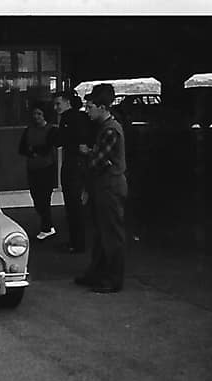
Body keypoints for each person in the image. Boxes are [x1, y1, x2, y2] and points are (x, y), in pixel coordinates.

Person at [75, 84, 128, 294]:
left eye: (90, 107)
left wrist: (88, 152)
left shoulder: (109, 130)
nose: (87, 111)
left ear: (102, 107)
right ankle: (96, 273)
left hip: (110, 186)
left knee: (111, 234)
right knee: (99, 232)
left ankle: (113, 279)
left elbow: (96, 161)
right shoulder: (104, 128)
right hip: (101, 185)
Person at [51, 90, 94, 253]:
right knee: (76, 205)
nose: (56, 108)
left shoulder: (68, 118)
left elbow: (60, 141)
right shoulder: (81, 117)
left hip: (73, 164)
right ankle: (77, 242)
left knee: (73, 205)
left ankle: (77, 243)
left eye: (58, 104)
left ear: (67, 102)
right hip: (80, 163)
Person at [18, 102, 57, 240]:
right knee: (36, 197)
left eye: (39, 114)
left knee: (44, 198)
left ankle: (46, 227)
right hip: (32, 168)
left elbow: (46, 148)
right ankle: (48, 224)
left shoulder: (51, 130)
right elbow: (22, 148)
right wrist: (33, 151)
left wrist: (33, 149)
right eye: (34, 114)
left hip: (47, 169)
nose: (36, 117)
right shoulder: (29, 130)